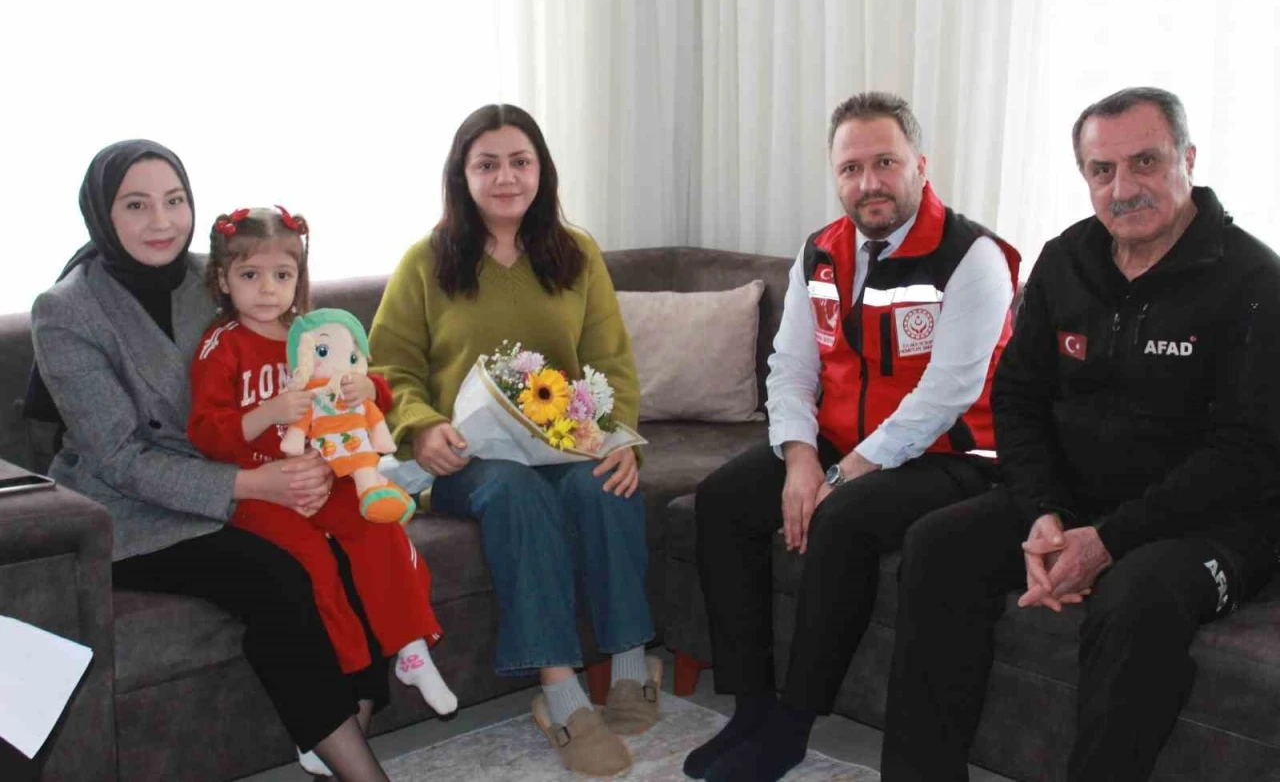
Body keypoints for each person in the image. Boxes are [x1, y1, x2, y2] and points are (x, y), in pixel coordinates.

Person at [880, 87, 1280, 782]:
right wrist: (1043, 511)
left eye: (1146, 162)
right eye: (1103, 170)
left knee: (1136, 600)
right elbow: (1017, 397)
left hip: (1213, 525)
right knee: (937, 546)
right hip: (1075, 501)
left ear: (1187, 160)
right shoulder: (1066, 260)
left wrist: (1109, 540)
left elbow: (1243, 454)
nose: (1123, 188)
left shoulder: (1255, 281)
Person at [28, 140, 394, 782]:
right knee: (275, 578)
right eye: (136, 205)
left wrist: (316, 459)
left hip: (244, 465)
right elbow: (120, 457)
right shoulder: (66, 310)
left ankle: (342, 734)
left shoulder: (227, 274)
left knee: (354, 540)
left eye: (174, 201)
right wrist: (254, 482)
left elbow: (304, 368)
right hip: (128, 509)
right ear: (101, 214)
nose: (161, 221)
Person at [685, 92, 1020, 782]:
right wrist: (800, 458)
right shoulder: (821, 252)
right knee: (721, 499)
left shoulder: (972, 256)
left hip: (954, 454)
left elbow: (947, 393)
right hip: (843, 440)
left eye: (885, 162)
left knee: (840, 520)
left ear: (920, 165)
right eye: (851, 168)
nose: (869, 182)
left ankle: (792, 727)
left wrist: (840, 476)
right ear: (835, 176)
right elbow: (791, 366)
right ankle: (751, 706)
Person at [369, 104, 654, 777]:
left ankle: (631, 664)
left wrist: (620, 439)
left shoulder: (576, 254)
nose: (506, 178)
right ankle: (560, 695)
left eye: (520, 162)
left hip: (560, 444)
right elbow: (389, 368)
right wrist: (420, 425)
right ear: (462, 175)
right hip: (462, 458)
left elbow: (610, 361)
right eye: (488, 164)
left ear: (541, 171)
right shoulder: (425, 262)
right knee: (516, 491)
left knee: (605, 484)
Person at [186, 206, 458, 772]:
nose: (267, 289)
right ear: (223, 280)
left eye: (282, 275)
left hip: (326, 477)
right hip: (260, 494)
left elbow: (368, 386)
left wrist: (371, 389)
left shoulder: (310, 334)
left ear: (299, 278)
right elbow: (206, 433)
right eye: (250, 275)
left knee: (380, 527)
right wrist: (269, 411)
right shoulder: (222, 344)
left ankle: (410, 647)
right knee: (312, 563)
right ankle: (336, 704)